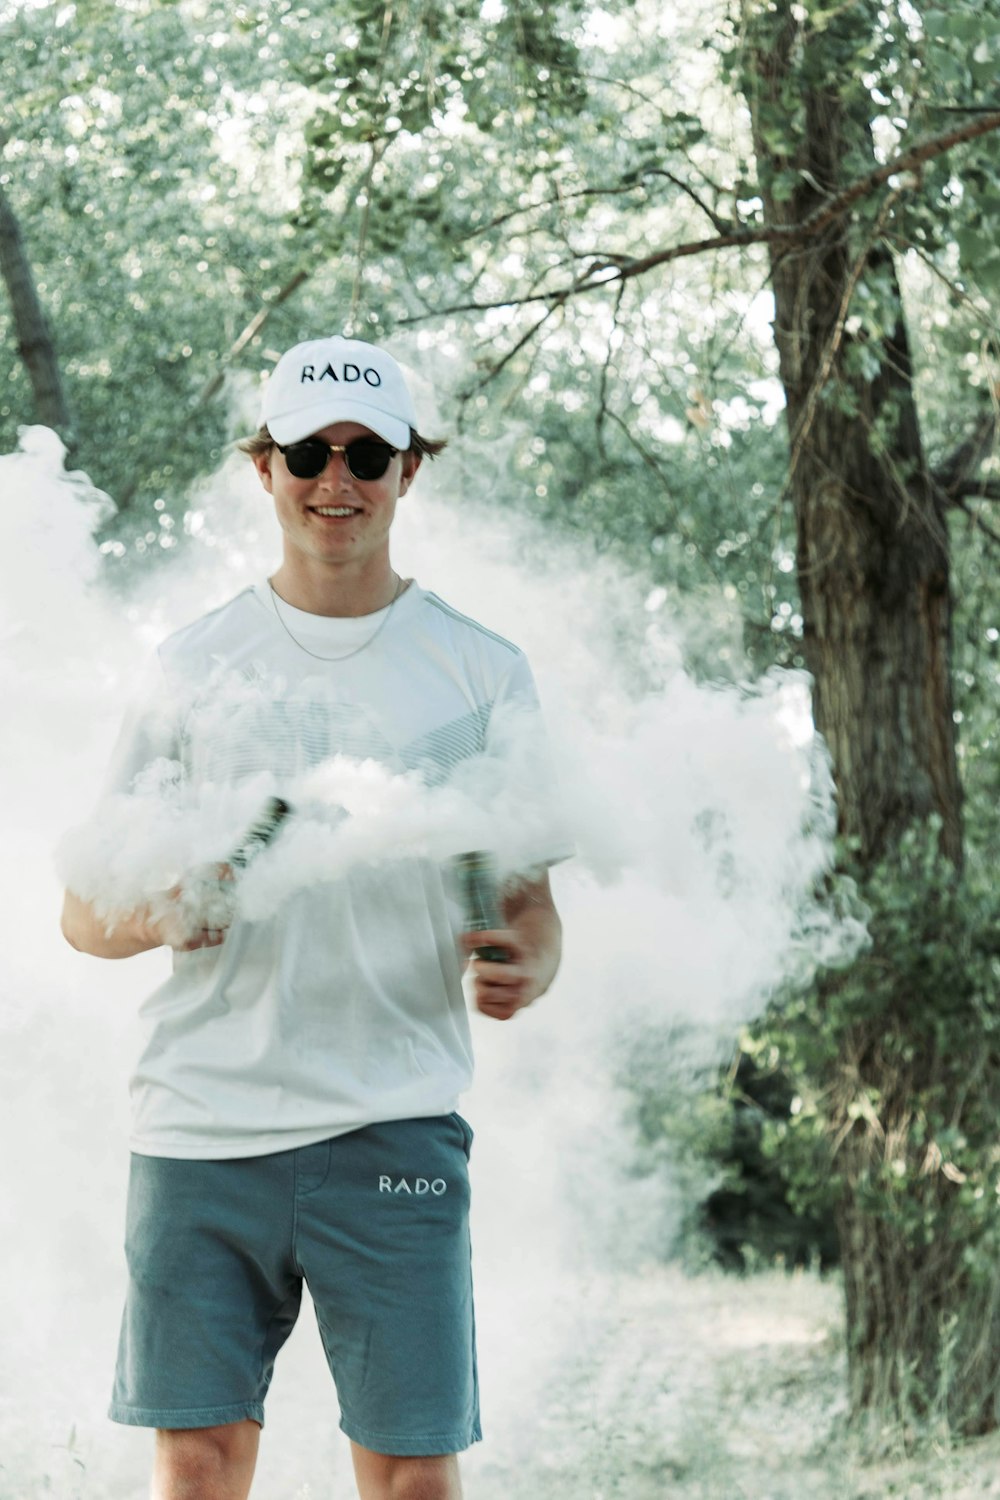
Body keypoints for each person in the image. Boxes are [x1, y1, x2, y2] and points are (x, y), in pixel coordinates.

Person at [60, 334, 563, 1500]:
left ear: (408, 472)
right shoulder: (191, 667)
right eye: (308, 453)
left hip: (394, 1125)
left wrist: (524, 961)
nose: (337, 480)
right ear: (264, 469)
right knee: (198, 1467)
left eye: (367, 454)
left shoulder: (482, 672)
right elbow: (86, 916)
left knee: (410, 1480)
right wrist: (160, 908)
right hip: (200, 1129)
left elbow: (533, 907)